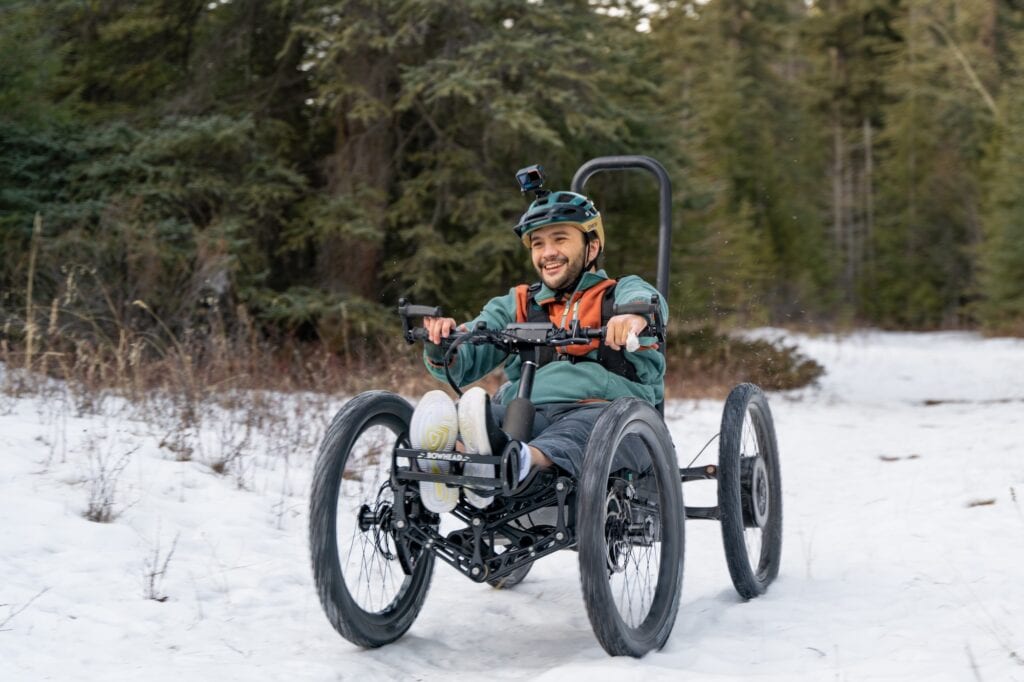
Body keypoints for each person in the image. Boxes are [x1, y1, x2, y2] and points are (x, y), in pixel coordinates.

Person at [409, 189, 668, 512]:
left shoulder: (618, 294)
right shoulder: (518, 303)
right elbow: (472, 349)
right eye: (538, 244)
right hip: (528, 412)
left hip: (606, 415)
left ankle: (517, 460)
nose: (548, 253)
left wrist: (632, 316)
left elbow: (647, 300)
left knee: (575, 435)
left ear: (592, 247)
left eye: (560, 240)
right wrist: (444, 343)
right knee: (480, 415)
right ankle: (458, 459)